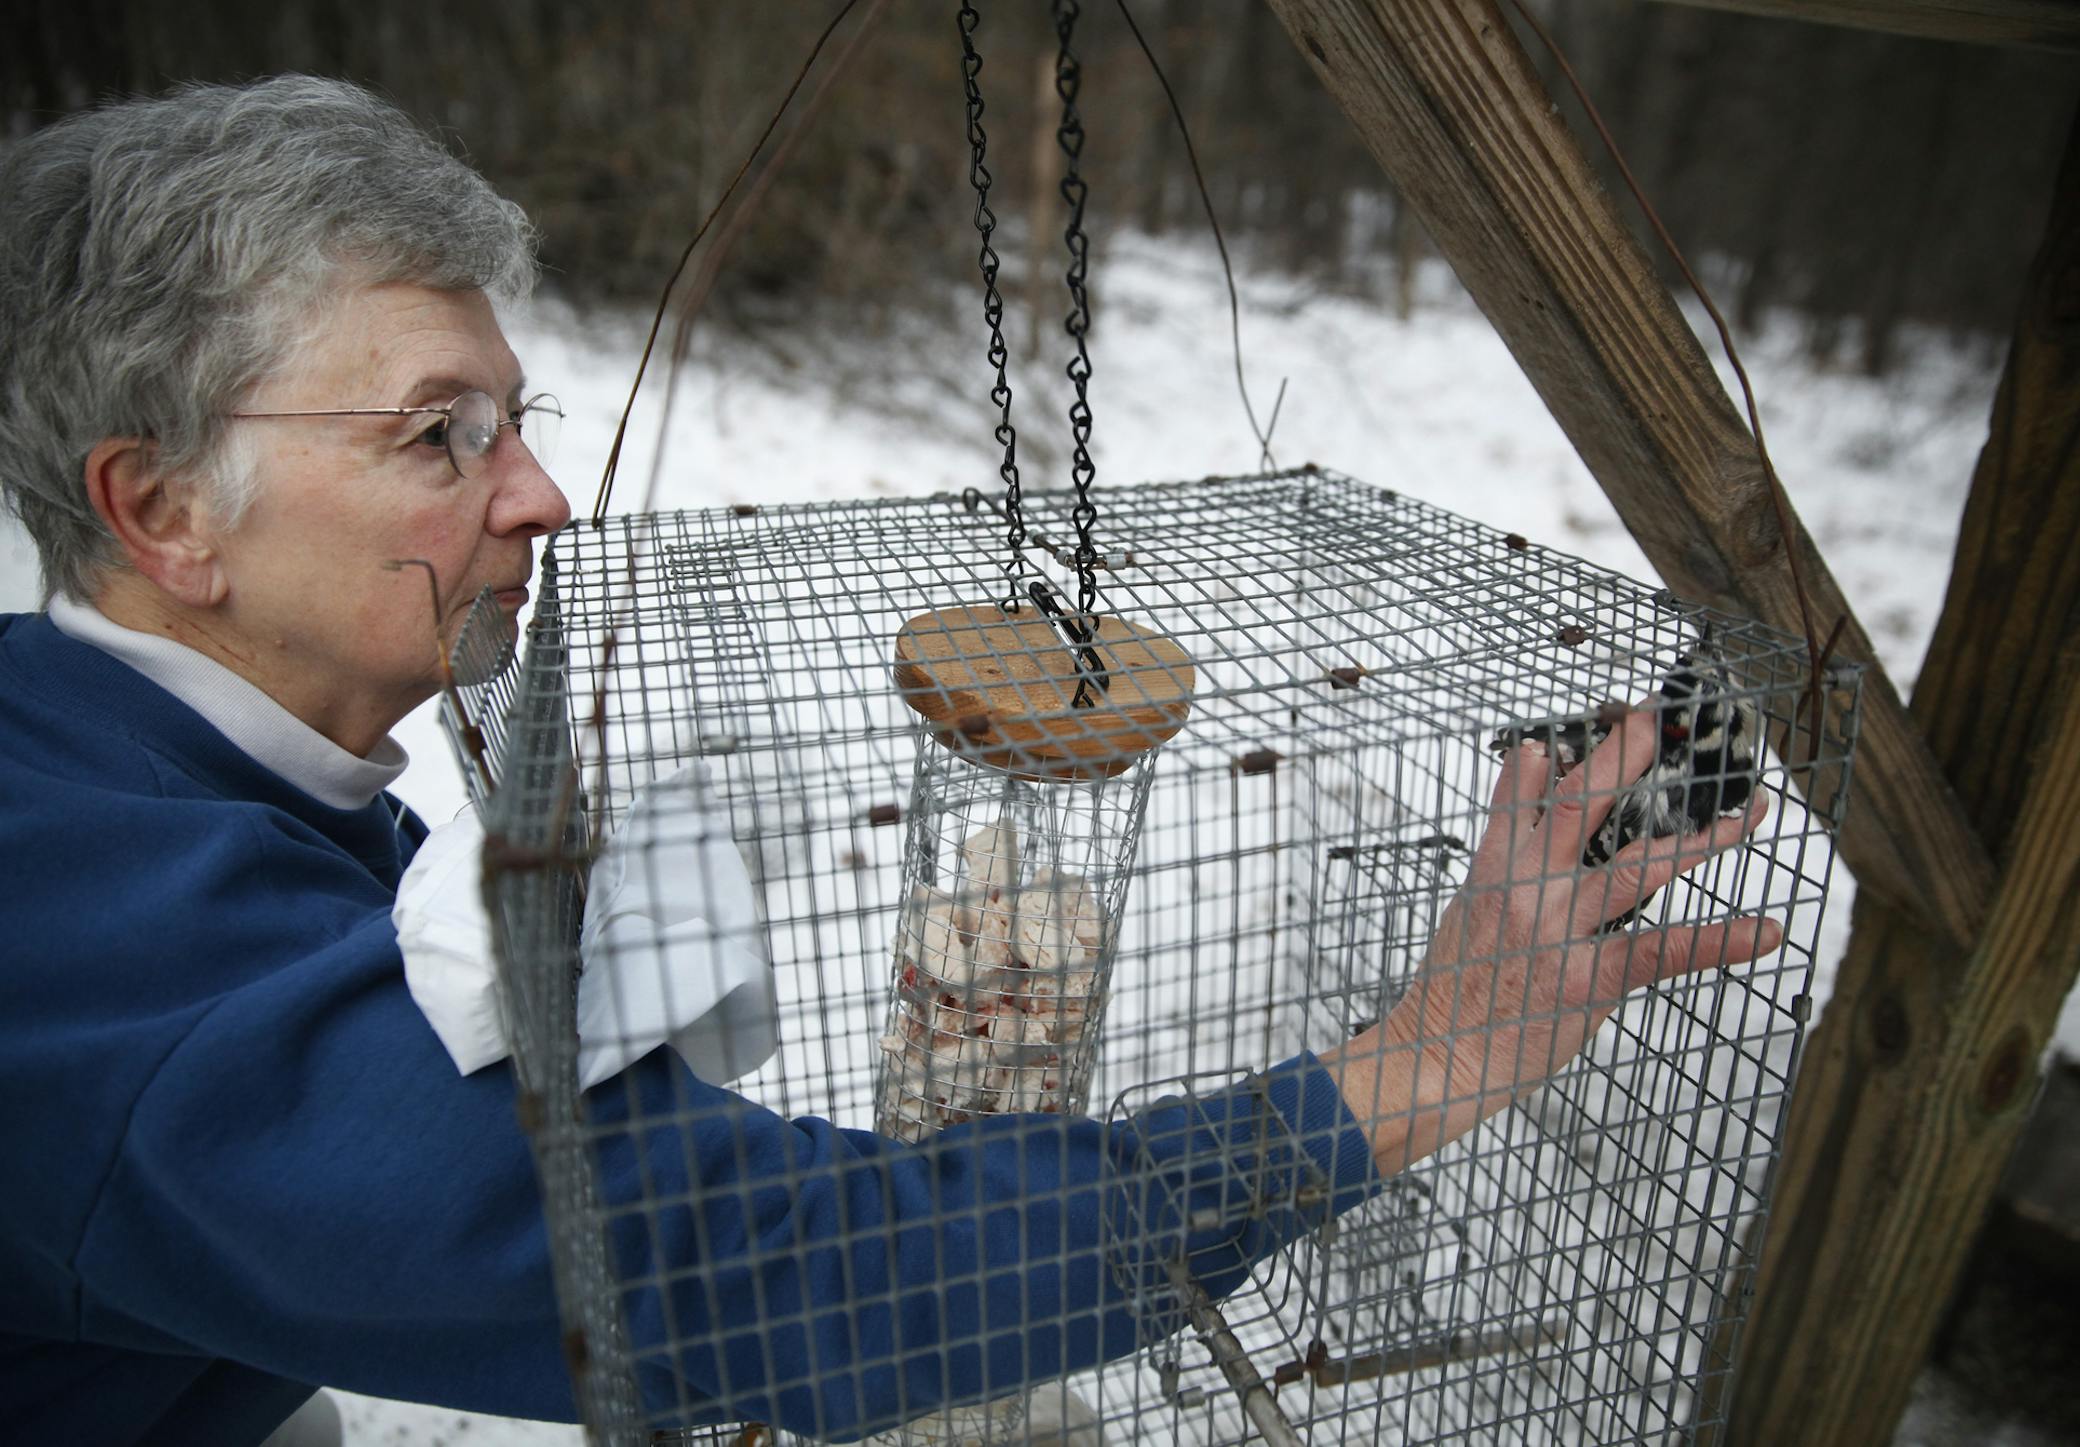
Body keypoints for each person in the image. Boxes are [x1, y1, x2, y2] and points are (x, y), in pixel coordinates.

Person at [0, 77, 1778, 1446]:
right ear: (162, 513)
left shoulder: (117, 753)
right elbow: (778, 1276)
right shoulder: (114, 988)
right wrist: (1406, 1073)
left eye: (517, 421)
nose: (541, 492)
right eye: (436, 436)